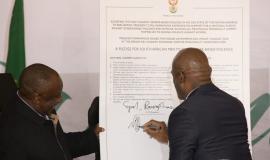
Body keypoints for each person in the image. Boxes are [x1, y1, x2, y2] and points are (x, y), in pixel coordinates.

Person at [143, 48, 252, 160]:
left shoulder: (183, 113)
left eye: (173, 76)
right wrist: (171, 137)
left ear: (180, 77)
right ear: (209, 71)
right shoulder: (235, 105)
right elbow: (217, 146)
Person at [0, 63, 101, 160]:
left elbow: (57, 144)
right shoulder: (12, 135)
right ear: (37, 98)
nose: (59, 99)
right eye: (56, 96)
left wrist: (93, 137)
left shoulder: (43, 106)